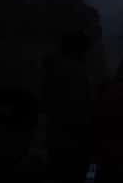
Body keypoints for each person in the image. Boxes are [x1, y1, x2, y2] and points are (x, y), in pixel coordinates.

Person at [42, 30, 94, 183]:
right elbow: (79, 108)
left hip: (57, 139)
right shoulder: (76, 71)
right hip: (73, 141)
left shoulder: (53, 69)